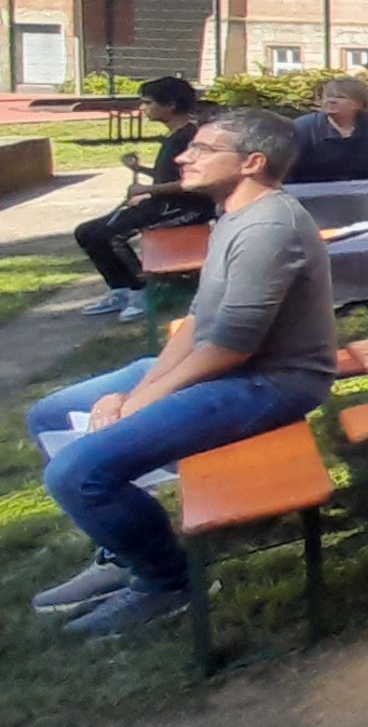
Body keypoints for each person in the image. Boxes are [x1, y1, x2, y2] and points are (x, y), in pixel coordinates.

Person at [30, 108, 333, 638]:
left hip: (269, 383)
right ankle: (119, 549)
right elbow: (198, 324)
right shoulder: (231, 214)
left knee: (75, 473)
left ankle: (165, 582)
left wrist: (134, 403)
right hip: (224, 367)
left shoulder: (269, 228)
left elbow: (230, 349)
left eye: (202, 149)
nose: (184, 156)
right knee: (50, 414)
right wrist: (139, 393)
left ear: (252, 162)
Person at [74, 77, 217, 321]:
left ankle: (141, 292)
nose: (143, 108)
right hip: (162, 204)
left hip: (186, 210)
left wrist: (144, 191)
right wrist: (141, 170)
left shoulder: (190, 137)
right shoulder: (175, 135)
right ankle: (120, 290)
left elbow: (195, 182)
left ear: (170, 105)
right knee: (87, 232)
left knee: (113, 235)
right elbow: (170, 176)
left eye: (147, 103)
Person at [288, 75, 368, 184]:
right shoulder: (304, 128)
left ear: (358, 104)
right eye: (328, 96)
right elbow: (285, 172)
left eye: (341, 97)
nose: (331, 101)